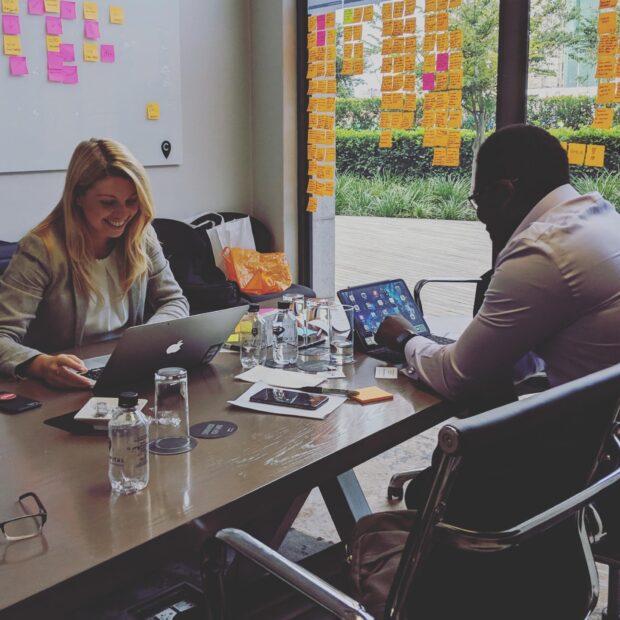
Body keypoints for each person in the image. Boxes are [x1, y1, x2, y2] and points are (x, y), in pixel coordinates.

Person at [377, 124, 620, 404]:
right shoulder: (602, 218)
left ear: (504, 193)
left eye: (478, 199)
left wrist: (405, 338)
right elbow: (519, 361)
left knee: (458, 445)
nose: (481, 216)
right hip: (607, 425)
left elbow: (457, 378)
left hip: (585, 439)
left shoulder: (543, 249)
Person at [0, 138, 189, 389]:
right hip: (62, 384)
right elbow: (3, 336)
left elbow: (174, 301)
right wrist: (42, 365)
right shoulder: (41, 249)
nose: (123, 214)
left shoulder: (140, 236)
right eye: (108, 203)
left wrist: (147, 340)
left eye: (132, 201)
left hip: (126, 371)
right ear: (78, 196)